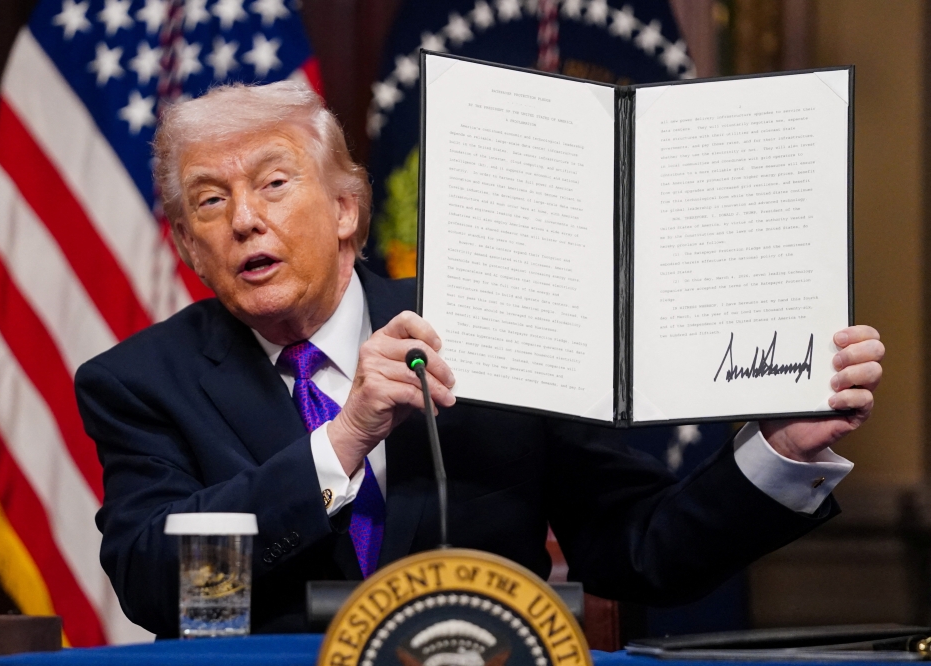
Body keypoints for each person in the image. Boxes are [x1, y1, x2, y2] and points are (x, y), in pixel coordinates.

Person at [75, 81, 885, 638]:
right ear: (187, 244)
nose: (245, 219)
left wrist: (781, 452)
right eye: (211, 201)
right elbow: (157, 584)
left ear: (348, 210)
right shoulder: (139, 383)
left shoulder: (494, 320)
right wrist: (345, 440)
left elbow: (638, 548)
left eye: (274, 182)